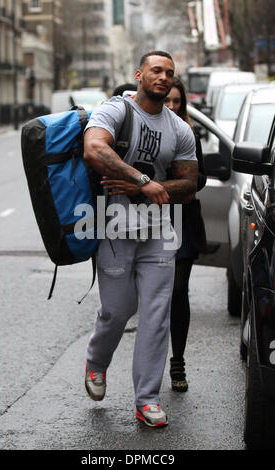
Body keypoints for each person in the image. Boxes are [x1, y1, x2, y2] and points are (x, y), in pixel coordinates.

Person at [83, 51, 198, 427]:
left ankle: (146, 398)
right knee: (117, 310)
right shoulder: (116, 110)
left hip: (161, 231)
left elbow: (190, 183)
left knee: (155, 314)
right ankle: (97, 363)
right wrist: (142, 181)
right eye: (156, 70)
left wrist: (152, 186)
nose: (163, 77)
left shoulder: (179, 128)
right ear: (138, 74)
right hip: (115, 225)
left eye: (169, 72)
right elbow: (94, 147)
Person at [164, 77, 207, 392]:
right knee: (153, 296)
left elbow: (200, 176)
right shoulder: (147, 132)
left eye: (177, 101)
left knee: (179, 291)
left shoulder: (189, 134)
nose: (172, 106)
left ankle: (177, 361)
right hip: (150, 218)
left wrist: (184, 181)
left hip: (182, 219)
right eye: (167, 100)